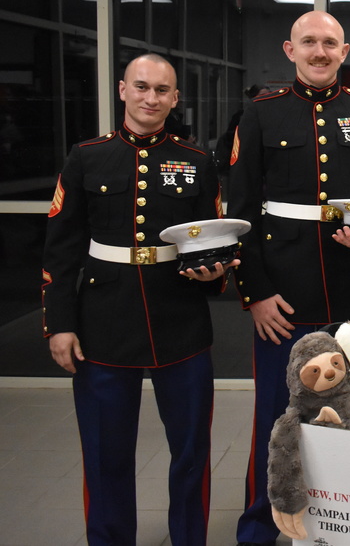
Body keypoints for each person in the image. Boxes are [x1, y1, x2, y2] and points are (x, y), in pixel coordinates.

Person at [41, 53, 235, 545]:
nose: (152, 98)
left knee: (190, 452)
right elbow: (61, 250)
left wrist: (214, 275)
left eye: (162, 90)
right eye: (142, 87)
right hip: (103, 319)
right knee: (106, 453)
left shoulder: (195, 162)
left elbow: (209, 239)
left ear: (175, 98)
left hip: (179, 320)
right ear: (123, 90)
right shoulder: (86, 156)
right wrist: (59, 323)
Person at [227, 10, 350, 546]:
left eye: (330, 43)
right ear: (290, 49)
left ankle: (348, 521)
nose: (320, 52)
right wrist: (254, 294)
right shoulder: (259, 114)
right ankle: (260, 523)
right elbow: (240, 211)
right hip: (282, 295)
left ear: (344, 52)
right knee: (275, 418)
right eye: (309, 42)